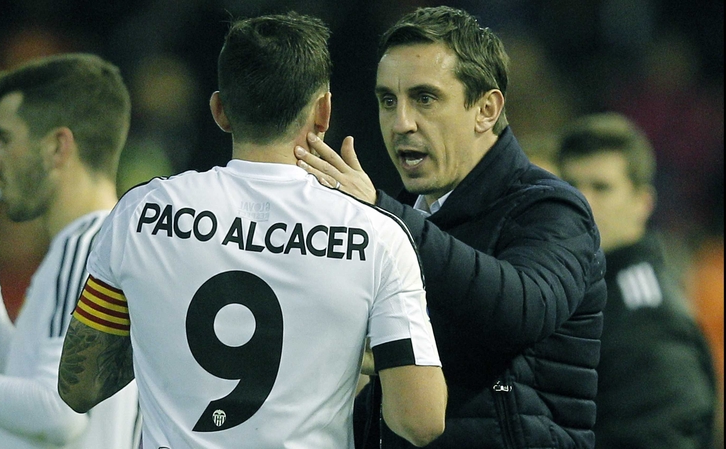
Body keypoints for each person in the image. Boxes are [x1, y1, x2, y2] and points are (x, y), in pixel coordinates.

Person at [57, 12, 447, 449]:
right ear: (323, 111)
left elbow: (79, 387)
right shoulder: (376, 236)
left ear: (220, 110)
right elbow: (420, 421)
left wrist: (161, 327)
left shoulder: (141, 214)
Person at [294, 6, 606, 448]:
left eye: (425, 99)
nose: (401, 123)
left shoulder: (551, 209)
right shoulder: (398, 215)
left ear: (486, 109)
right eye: (388, 100)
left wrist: (385, 217)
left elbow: (521, 309)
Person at [0, 53, 140, 449]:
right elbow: (20, 379)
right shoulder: (97, 244)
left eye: (5, 140)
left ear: (57, 147)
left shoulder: (89, 250)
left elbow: (59, 413)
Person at [556, 112, 717, 449]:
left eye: (601, 187)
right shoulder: (573, 289)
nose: (582, 201)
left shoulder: (647, 317)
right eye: (570, 185)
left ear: (642, 203)